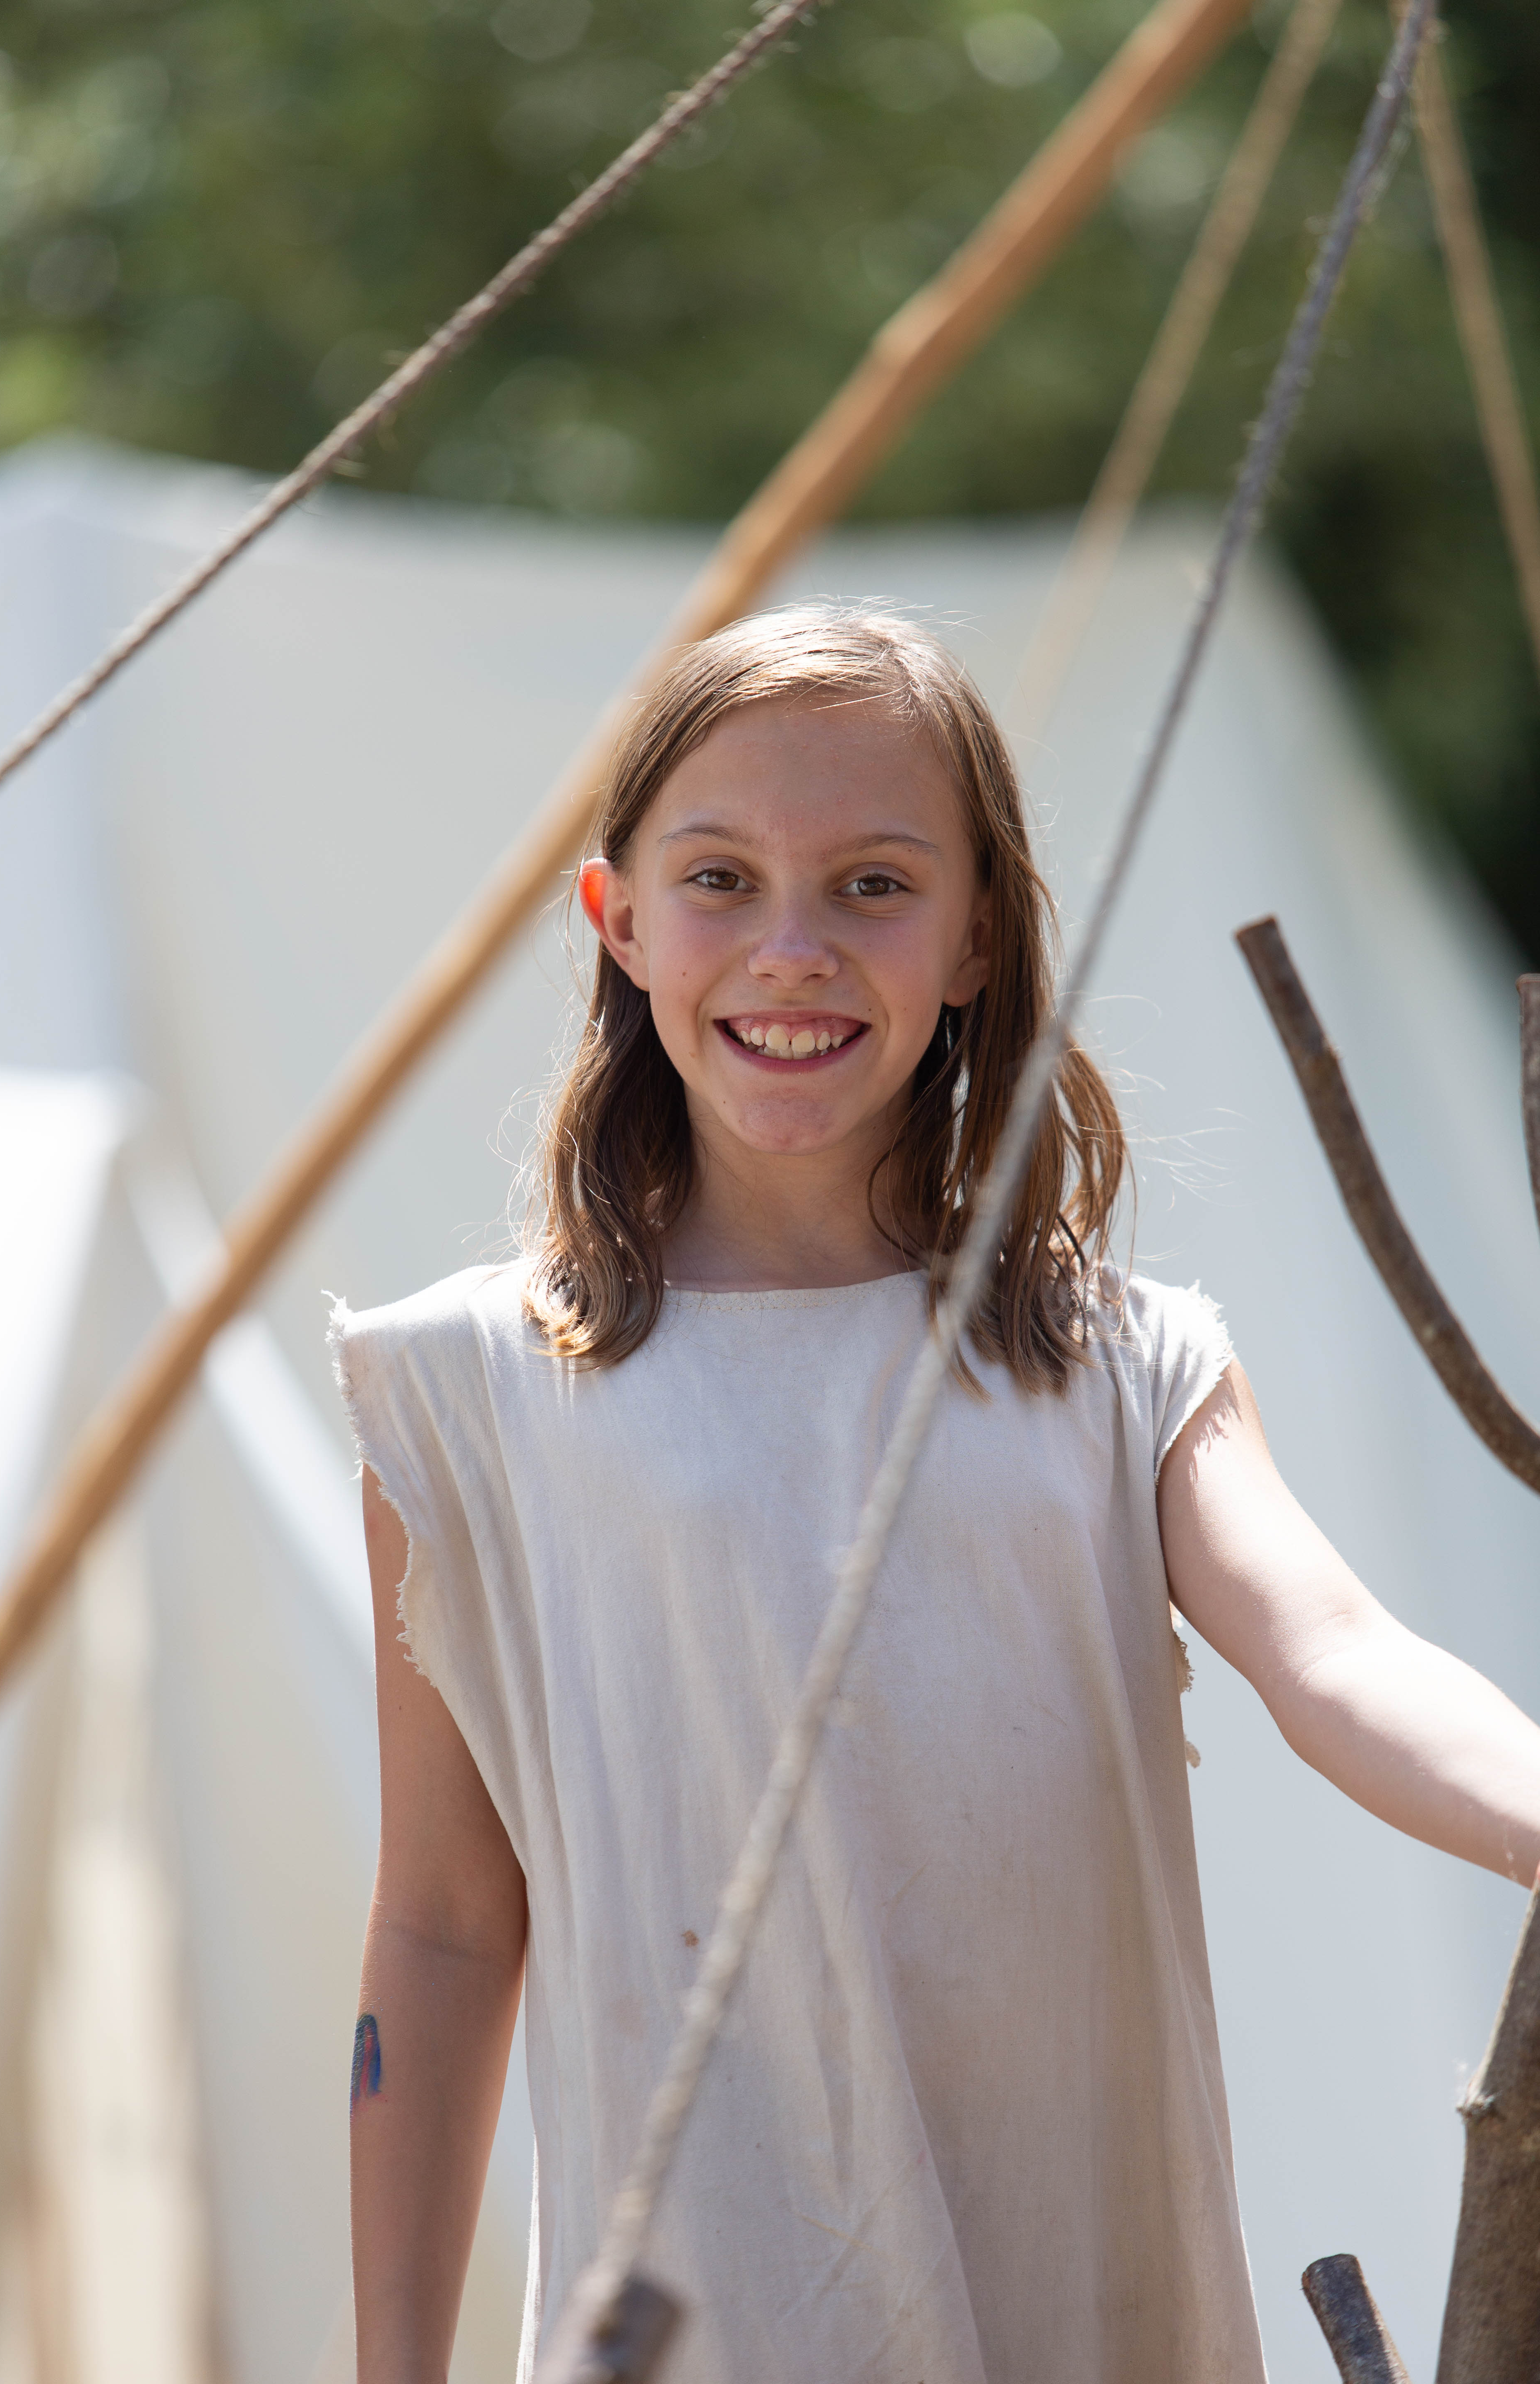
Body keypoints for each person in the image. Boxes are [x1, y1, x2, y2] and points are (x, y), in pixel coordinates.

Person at [331, 607, 1540, 2384]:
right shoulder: (466, 1395)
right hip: (700, 2328)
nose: (793, 948)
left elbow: (1338, 1662)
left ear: (978, 934)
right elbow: (444, 1926)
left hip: (1087, 2305)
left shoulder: (1118, 1365)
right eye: (721, 879)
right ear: (619, 920)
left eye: (876, 885)